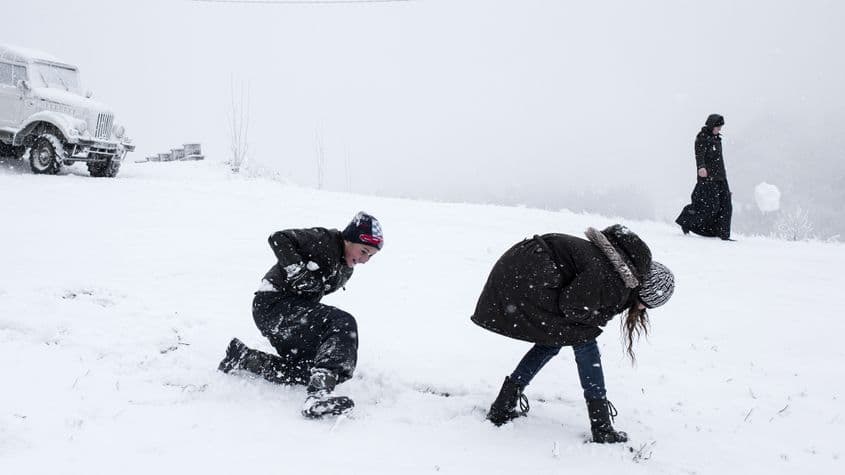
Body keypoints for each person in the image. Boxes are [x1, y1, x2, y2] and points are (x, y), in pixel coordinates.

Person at [471, 224, 674, 443]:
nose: (642, 310)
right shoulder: (614, 282)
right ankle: (601, 425)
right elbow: (572, 305)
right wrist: (596, 320)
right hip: (530, 274)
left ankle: (504, 403)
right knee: (584, 339)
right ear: (644, 293)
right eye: (647, 305)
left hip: (523, 265)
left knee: (557, 338)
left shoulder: (613, 269)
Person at [218, 211, 384, 418]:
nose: (365, 260)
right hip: (273, 305)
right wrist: (298, 272)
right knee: (343, 323)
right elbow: (279, 238)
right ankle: (319, 394)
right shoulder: (325, 241)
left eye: (370, 256)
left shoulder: (346, 268)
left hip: (291, 314)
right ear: (349, 239)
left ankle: (244, 358)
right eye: (364, 251)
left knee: (312, 368)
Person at [675, 113, 734, 240]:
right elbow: (699, 154)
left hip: (721, 177)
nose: (719, 130)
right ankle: (686, 219)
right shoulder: (702, 138)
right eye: (718, 127)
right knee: (711, 206)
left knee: (726, 205)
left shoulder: (717, 138)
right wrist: (701, 167)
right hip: (708, 178)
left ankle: (723, 234)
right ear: (712, 125)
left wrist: (724, 180)